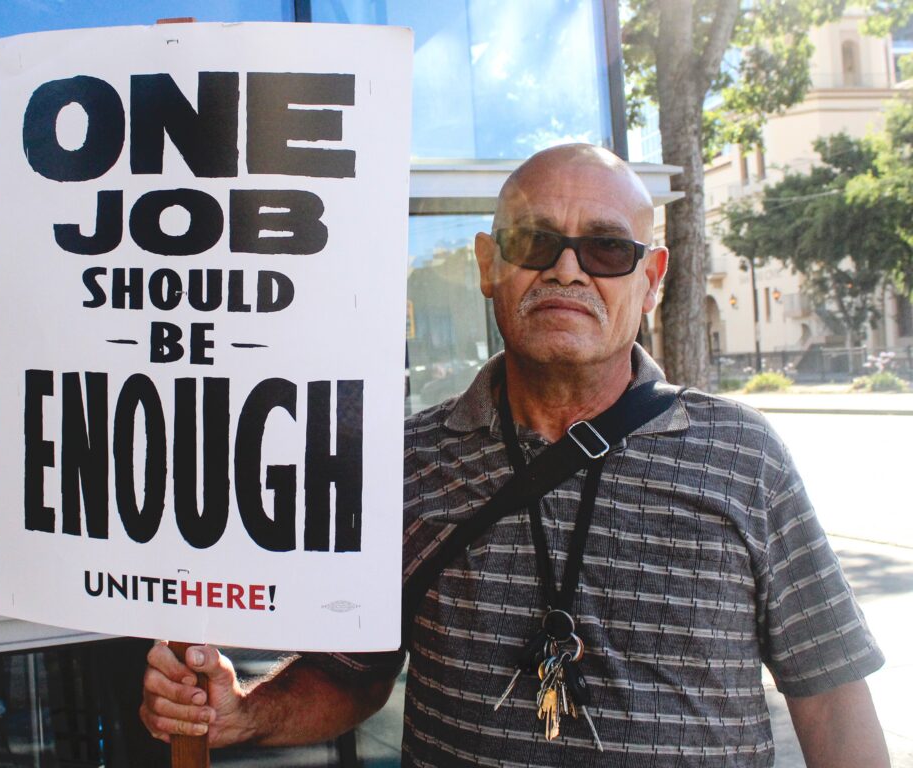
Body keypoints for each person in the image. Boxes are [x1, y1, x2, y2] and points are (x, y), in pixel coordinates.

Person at [140, 144, 889, 766]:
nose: (568, 271)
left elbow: (829, 695)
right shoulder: (404, 462)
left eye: (605, 247)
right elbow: (352, 672)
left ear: (652, 279)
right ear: (489, 265)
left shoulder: (742, 455)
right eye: (536, 242)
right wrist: (241, 715)